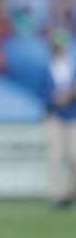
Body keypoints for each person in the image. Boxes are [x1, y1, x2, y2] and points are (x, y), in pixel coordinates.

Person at [45, 28, 76, 208]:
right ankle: (56, 195)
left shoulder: (72, 66)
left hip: (73, 115)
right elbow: (43, 93)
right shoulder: (46, 67)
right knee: (55, 157)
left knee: (74, 156)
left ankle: (69, 191)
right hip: (55, 116)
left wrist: (69, 95)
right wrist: (56, 98)